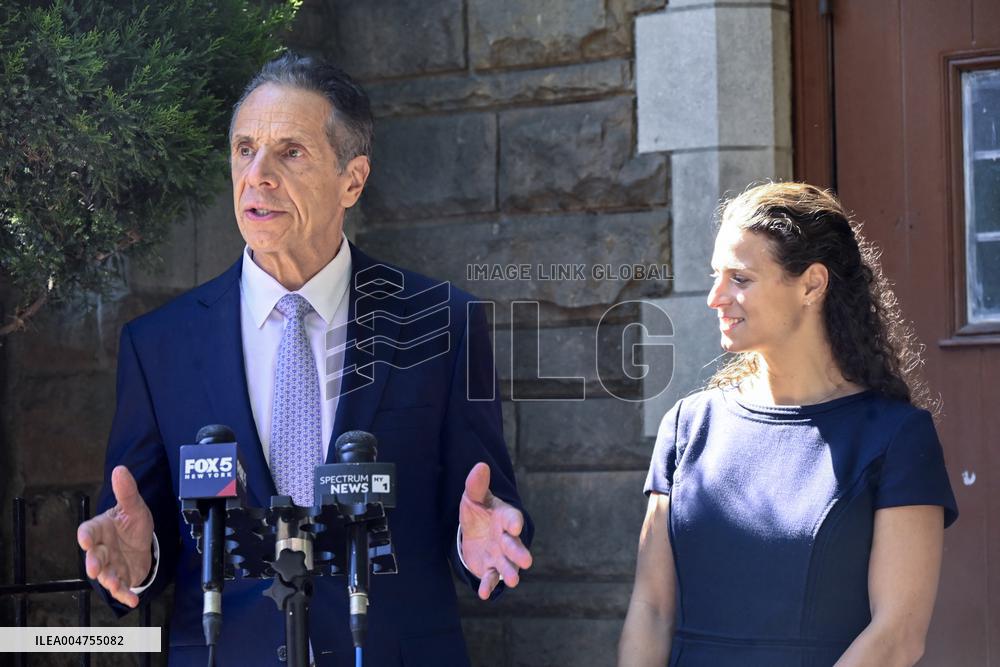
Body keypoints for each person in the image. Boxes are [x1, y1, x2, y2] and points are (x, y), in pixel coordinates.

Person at [76, 52, 533, 666]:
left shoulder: (444, 322)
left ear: (353, 179)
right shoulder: (160, 344)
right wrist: (139, 560)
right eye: (244, 149)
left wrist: (477, 543)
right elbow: (143, 522)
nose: (257, 175)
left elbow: (485, 507)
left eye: (290, 152)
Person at [618, 182, 958, 667]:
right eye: (716, 275)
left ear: (812, 285)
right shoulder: (687, 427)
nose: (716, 297)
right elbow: (650, 610)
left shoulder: (896, 437)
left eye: (741, 278)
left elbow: (897, 635)